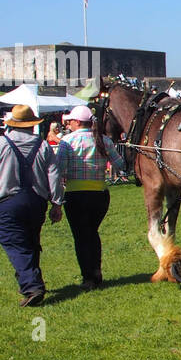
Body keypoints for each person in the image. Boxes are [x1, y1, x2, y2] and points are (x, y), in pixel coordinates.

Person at [0, 104, 64, 306]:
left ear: (12, 124)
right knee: (31, 241)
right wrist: (57, 203)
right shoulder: (43, 145)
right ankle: (33, 281)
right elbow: (54, 175)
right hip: (37, 201)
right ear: (31, 125)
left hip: (8, 201)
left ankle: (32, 286)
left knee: (14, 242)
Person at [55, 104, 125, 291]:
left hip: (76, 194)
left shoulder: (66, 141)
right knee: (92, 234)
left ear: (77, 122)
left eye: (70, 121)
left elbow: (59, 170)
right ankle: (96, 272)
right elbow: (120, 164)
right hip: (100, 195)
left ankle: (89, 276)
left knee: (81, 237)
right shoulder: (104, 140)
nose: (68, 124)